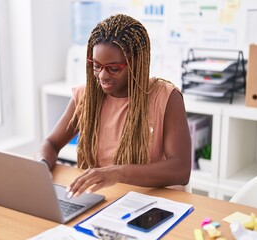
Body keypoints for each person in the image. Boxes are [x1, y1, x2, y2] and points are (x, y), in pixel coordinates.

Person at [36, 14, 191, 198]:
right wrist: (42, 166)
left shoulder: (166, 97)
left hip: (146, 202)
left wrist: (118, 173)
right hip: (99, 199)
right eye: (96, 66)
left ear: (136, 62)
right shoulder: (86, 97)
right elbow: (51, 143)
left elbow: (180, 169)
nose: (102, 76)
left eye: (113, 68)